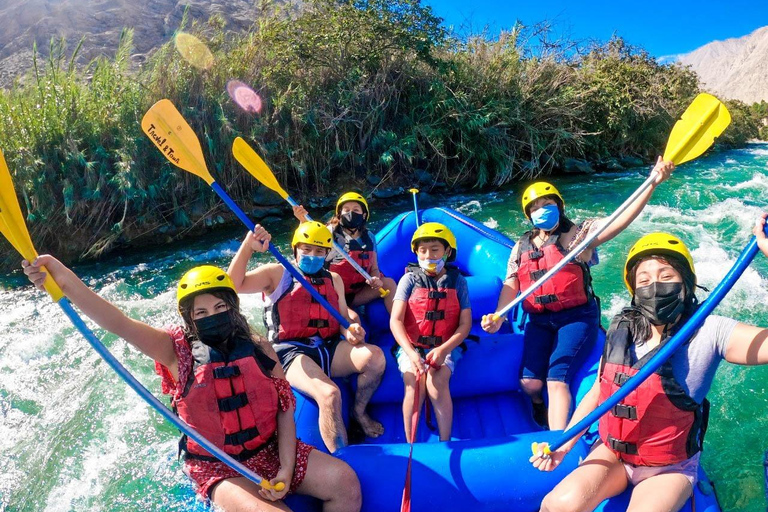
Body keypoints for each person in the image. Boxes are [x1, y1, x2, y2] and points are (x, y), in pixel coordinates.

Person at [21, 249, 361, 512]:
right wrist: (62, 278)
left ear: (233, 307)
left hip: (270, 450)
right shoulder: (174, 350)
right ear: (189, 318)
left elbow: (285, 409)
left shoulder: (259, 346)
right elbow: (117, 322)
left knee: (345, 482)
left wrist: (286, 468)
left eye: (219, 307)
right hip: (219, 465)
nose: (212, 316)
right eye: (200, 313)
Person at [530, 219, 768, 512]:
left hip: (669, 468)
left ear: (686, 282)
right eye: (644, 280)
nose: (654, 286)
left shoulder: (711, 331)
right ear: (633, 289)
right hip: (613, 454)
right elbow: (598, 392)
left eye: (666, 275)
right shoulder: (623, 328)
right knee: (557, 504)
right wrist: (565, 444)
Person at [482, 158, 674, 430]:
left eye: (547, 204)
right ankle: (538, 405)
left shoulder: (578, 235)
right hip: (539, 320)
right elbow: (512, 283)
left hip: (576, 317)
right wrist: (500, 316)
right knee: (529, 384)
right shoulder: (520, 246)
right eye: (535, 207)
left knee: (556, 380)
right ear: (529, 215)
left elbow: (619, 220)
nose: (542, 210)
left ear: (559, 207)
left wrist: (652, 182)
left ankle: (556, 440)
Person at [227, 221, 386, 452]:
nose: (313, 255)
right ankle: (343, 458)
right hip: (290, 351)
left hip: (327, 346)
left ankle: (359, 412)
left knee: (375, 358)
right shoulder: (277, 273)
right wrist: (248, 247)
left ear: (327, 254)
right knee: (329, 394)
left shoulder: (334, 280)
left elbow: (341, 319)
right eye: (306, 249)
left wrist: (350, 330)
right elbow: (232, 285)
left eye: (319, 251)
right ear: (295, 250)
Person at [390, 222, 472, 442]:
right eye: (422, 250)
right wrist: (411, 353)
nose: (428, 255)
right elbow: (396, 320)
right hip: (412, 347)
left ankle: (445, 440)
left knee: (436, 384)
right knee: (414, 385)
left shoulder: (458, 281)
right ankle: (411, 443)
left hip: (446, 345)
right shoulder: (408, 280)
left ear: (447, 251)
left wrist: (444, 349)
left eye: (435, 249)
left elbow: (465, 325)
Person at [293, 192, 396, 313]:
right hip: (331, 293)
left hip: (356, 294)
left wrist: (375, 278)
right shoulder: (329, 232)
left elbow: (374, 268)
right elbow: (306, 241)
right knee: (353, 318)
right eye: (346, 209)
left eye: (356, 210)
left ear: (363, 215)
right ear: (339, 214)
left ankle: (401, 324)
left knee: (389, 283)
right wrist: (302, 221)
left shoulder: (369, 237)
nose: (350, 213)